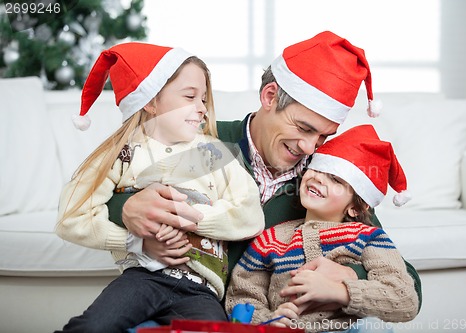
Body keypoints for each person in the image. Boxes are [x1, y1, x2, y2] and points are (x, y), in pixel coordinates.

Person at [105, 31, 422, 315]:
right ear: (270, 97)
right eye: (304, 127)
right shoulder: (211, 143)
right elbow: (103, 196)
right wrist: (127, 208)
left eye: (324, 136)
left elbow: (407, 280)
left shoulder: (324, 179)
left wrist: (350, 277)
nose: (311, 148)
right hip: (182, 304)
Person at [55, 42, 264, 332]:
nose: (202, 108)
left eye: (204, 99)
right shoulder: (121, 154)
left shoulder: (215, 153)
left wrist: (190, 216)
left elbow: (250, 214)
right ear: (151, 102)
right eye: (190, 96)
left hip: (200, 289)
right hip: (142, 277)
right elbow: (72, 216)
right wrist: (132, 241)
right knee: (93, 326)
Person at [226, 124, 418, 332]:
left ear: (356, 207)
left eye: (334, 179)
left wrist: (340, 292)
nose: (318, 177)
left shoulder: (367, 238)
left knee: (373, 327)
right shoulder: (271, 240)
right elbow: (242, 296)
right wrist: (269, 320)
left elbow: (404, 298)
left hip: (349, 328)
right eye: (317, 169)